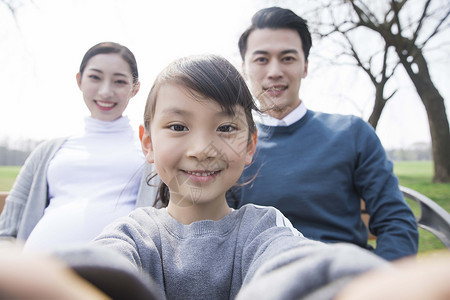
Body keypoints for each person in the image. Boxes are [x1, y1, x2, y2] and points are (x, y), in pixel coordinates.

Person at [48, 54, 387, 300]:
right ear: (148, 143)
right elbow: (101, 267)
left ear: (251, 144)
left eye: (226, 128)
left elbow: (297, 264)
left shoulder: (265, 229)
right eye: (178, 127)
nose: (201, 149)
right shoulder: (132, 236)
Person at [227, 6, 418, 261]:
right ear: (244, 68)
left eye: (288, 58)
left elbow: (396, 220)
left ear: (305, 66)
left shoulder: (353, 133)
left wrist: (380, 285)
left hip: (348, 280)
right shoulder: (230, 145)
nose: (274, 71)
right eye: (261, 59)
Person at [0, 42, 157, 251]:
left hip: (115, 275)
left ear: (135, 89)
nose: (105, 91)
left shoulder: (151, 151)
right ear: (79, 80)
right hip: (38, 271)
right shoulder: (47, 152)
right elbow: (8, 228)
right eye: (95, 77)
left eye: (119, 81)